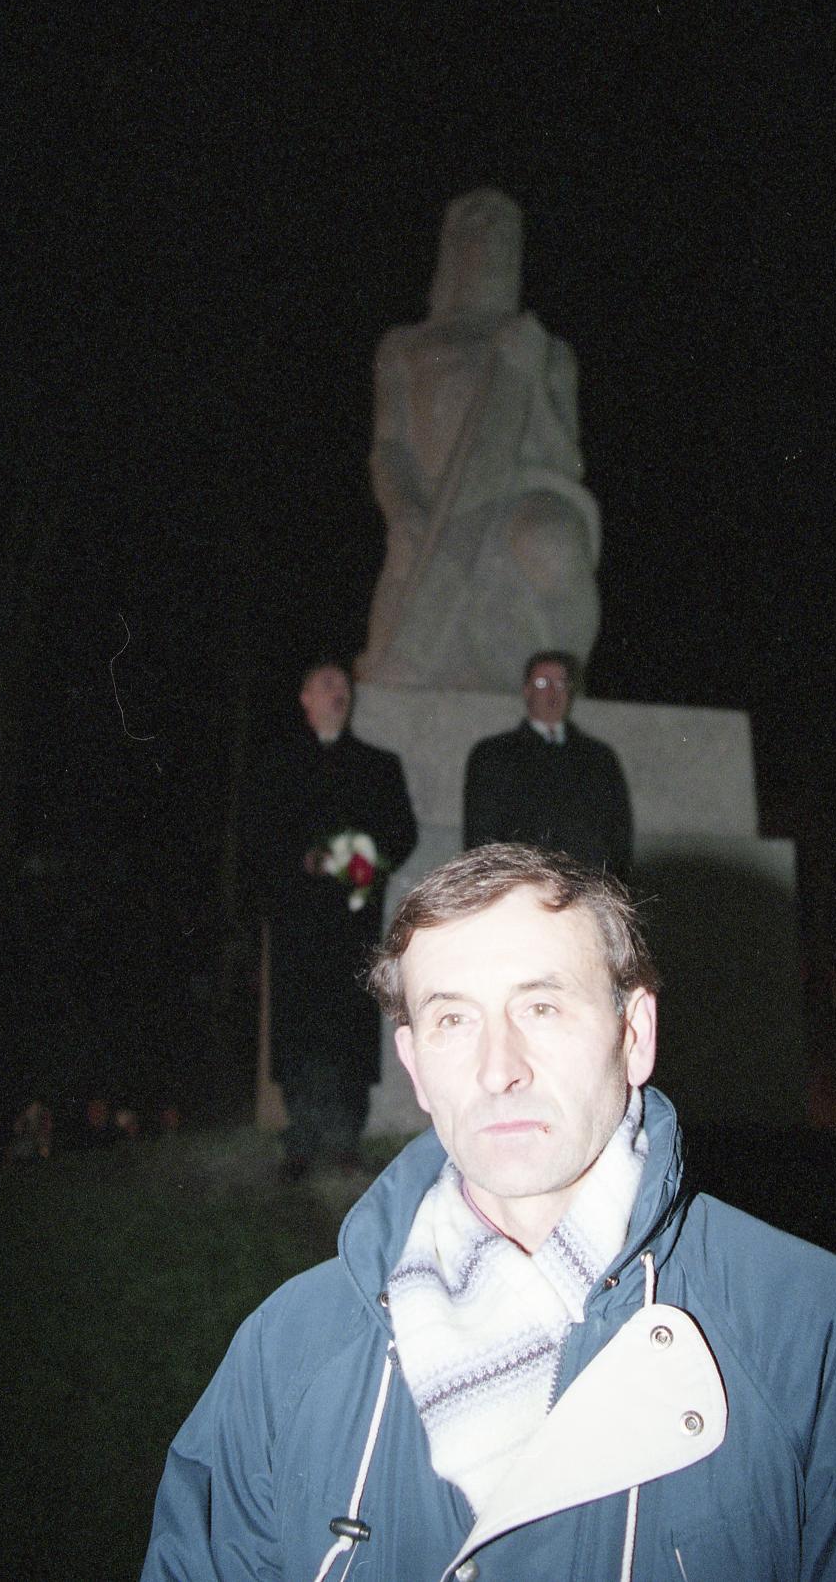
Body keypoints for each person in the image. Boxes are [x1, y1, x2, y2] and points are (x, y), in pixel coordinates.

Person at [142, 844, 836, 1582]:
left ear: (634, 1032)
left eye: (541, 1006)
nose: (498, 1067)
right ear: (415, 1064)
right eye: (453, 1018)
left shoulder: (827, 1341)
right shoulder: (283, 1352)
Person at [354, 188, 602, 691]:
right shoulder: (406, 347)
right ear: (453, 246)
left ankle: (560, 679)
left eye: (505, 232)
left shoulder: (549, 351)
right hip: (437, 502)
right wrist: (404, 509)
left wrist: (529, 376)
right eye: (478, 228)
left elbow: (567, 459)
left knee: (552, 541)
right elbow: (390, 449)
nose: (492, 242)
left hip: (522, 491)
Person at [241, 659, 417, 1175]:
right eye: (325, 684)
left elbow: (401, 833)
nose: (337, 691)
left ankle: (345, 1139)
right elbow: (259, 835)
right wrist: (302, 859)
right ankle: (300, 1138)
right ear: (305, 698)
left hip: (351, 920)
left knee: (349, 1026)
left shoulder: (378, 765)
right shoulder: (278, 765)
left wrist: (364, 860)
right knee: (298, 1026)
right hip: (297, 918)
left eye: (342, 684)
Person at [463, 650, 633, 877]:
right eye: (543, 683)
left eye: (561, 684)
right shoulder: (493, 754)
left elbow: (618, 833)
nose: (553, 692)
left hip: (586, 881)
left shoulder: (599, 757)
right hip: (522, 881)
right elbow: (481, 834)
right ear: (527, 690)